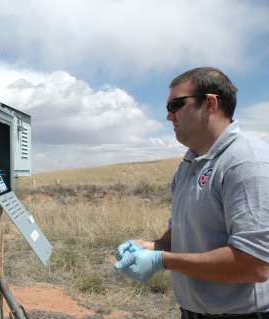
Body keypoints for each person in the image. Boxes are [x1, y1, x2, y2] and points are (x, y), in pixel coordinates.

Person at [114, 67, 269, 318]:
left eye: (176, 105)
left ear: (209, 104)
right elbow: (182, 234)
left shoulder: (246, 163)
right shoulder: (188, 165)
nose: (169, 117)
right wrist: (153, 246)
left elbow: (254, 265)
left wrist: (162, 261)